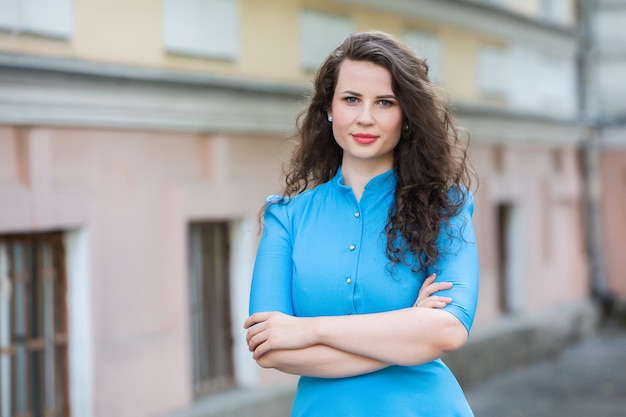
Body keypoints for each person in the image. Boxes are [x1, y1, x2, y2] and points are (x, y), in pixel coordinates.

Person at [244, 31, 479, 417]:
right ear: (329, 109)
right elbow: (269, 348)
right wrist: (407, 335)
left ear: (406, 115)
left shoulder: (446, 207)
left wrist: (310, 330)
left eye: (385, 102)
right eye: (351, 99)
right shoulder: (286, 218)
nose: (365, 117)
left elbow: (448, 331)